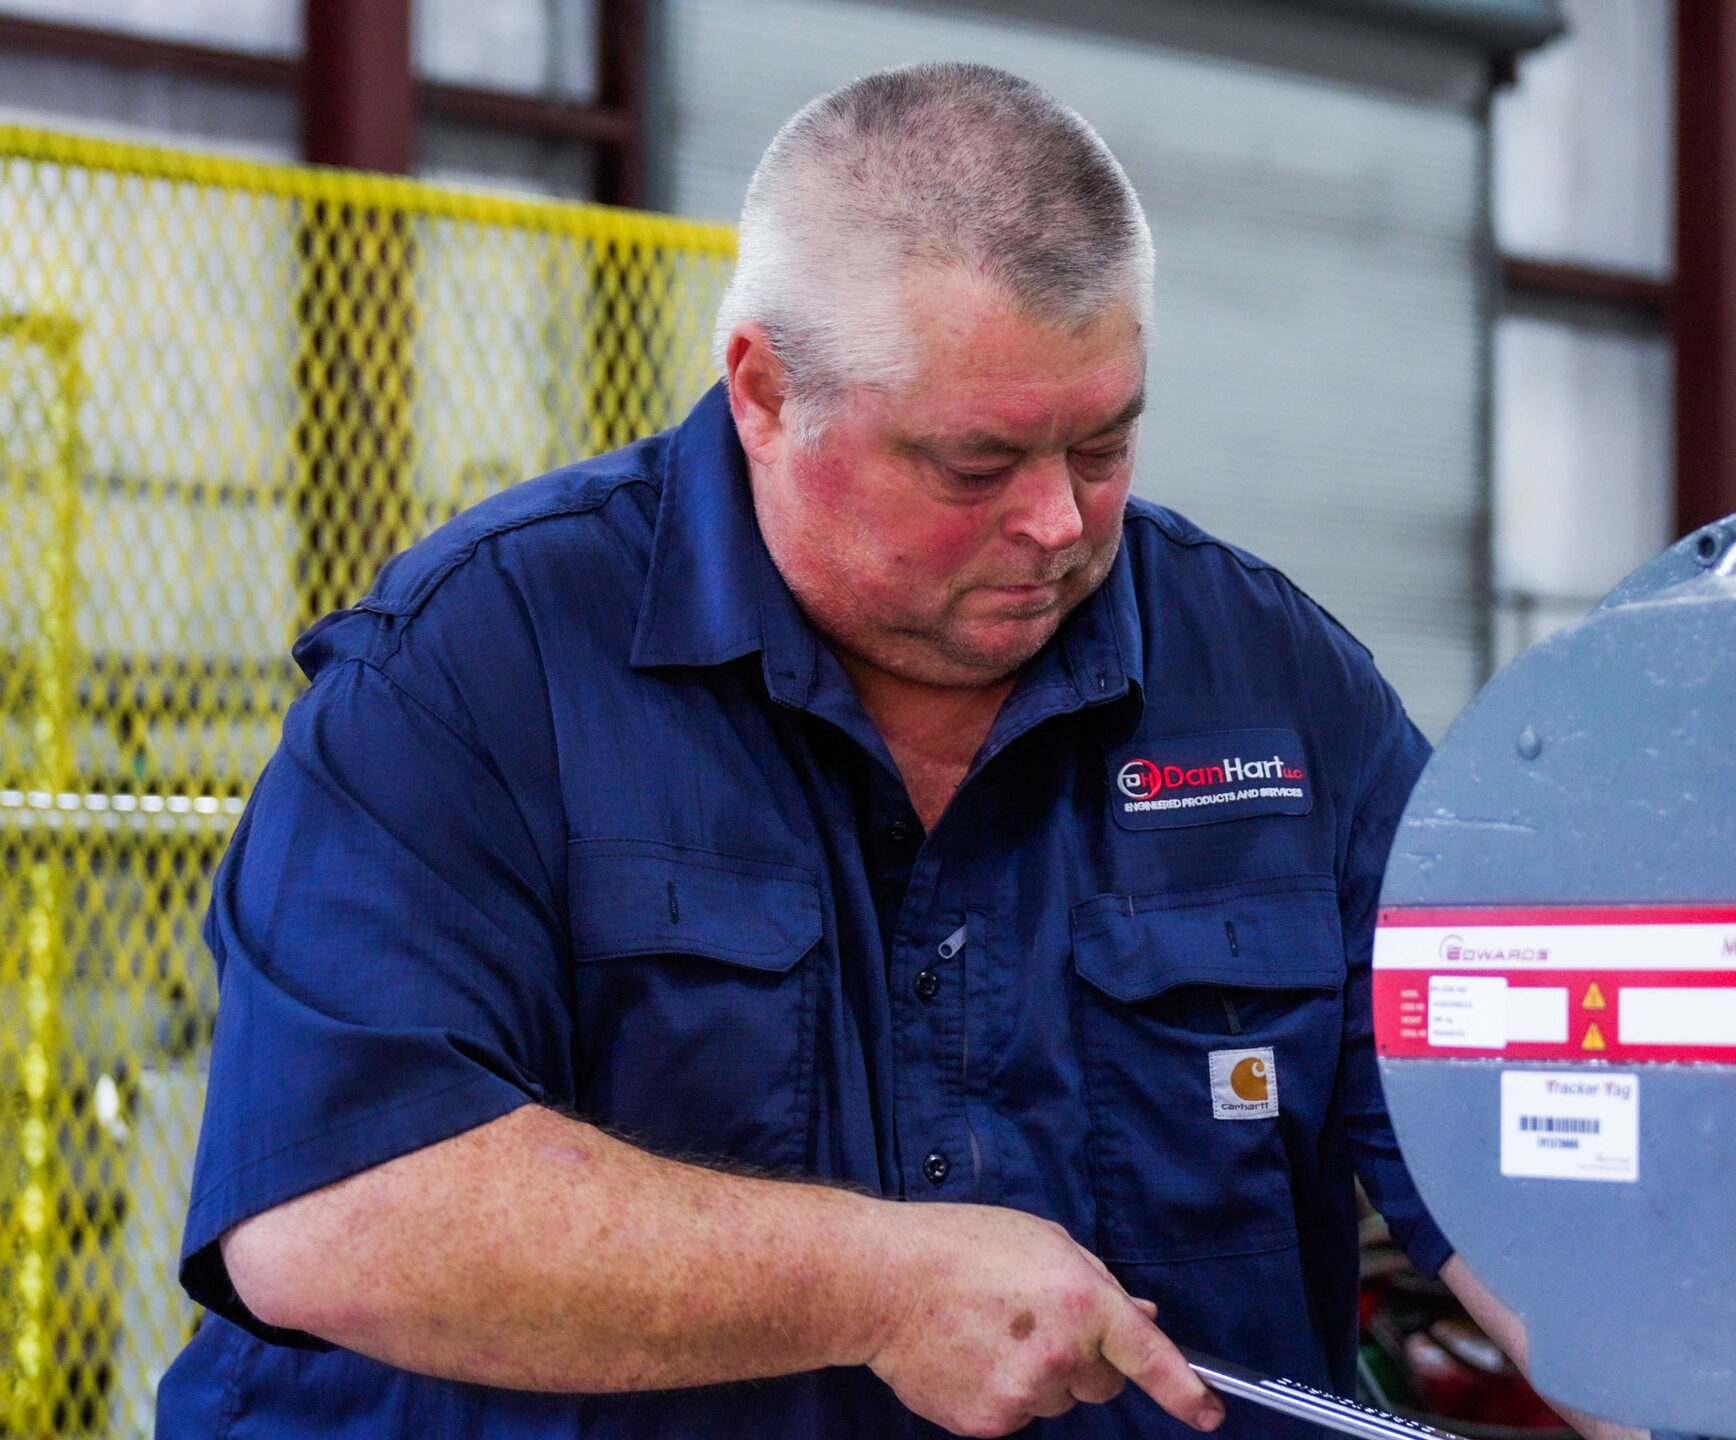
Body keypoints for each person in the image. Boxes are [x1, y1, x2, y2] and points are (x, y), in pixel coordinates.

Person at [156, 62, 1599, 1438]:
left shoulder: (1281, 698)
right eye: (975, 467)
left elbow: (1526, 1166)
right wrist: (876, 1283)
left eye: (1103, 447)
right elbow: (338, 1208)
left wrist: (1714, 1373)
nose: (1056, 523)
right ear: (766, 393)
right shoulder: (479, 671)